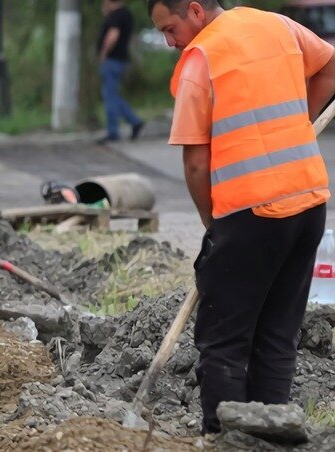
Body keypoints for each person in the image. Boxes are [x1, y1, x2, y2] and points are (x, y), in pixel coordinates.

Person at [149, 0, 335, 434]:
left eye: (170, 28)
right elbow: (328, 66)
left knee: (225, 340)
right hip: (308, 201)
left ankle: (224, 437)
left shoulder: (202, 58)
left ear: (195, 10)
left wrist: (212, 224)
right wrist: (296, 125)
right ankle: (269, 435)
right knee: (277, 334)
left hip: (249, 212)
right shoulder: (275, 25)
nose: (170, 41)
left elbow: (196, 163)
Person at [97, 0, 144, 144]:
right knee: (112, 95)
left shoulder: (117, 15)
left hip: (112, 60)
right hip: (119, 60)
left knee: (110, 96)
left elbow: (113, 35)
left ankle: (114, 131)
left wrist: (104, 52)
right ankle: (134, 121)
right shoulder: (124, 14)